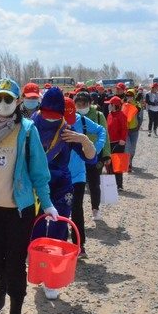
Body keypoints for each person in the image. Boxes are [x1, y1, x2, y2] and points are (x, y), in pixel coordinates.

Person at [0, 78, 57, 314]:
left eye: (9, 99)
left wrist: (48, 204)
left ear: (18, 101)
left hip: (20, 211)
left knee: (16, 263)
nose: (3, 103)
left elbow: (40, 172)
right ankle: (0, 286)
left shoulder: (28, 131)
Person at [31, 87, 96, 300]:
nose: (48, 118)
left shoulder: (66, 131)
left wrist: (84, 140)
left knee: (59, 230)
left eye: (54, 114)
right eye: (45, 113)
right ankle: (38, 269)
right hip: (35, 187)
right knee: (37, 229)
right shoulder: (30, 126)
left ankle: (52, 279)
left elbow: (91, 159)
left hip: (61, 186)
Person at [67, 94, 106, 258]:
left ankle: (79, 245)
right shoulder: (49, 121)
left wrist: (94, 149)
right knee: (59, 211)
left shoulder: (80, 120)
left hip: (78, 174)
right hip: (56, 174)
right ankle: (59, 245)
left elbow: (101, 130)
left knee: (76, 209)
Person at [74, 91, 110, 222]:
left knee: (94, 184)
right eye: (78, 104)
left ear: (90, 103)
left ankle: (96, 209)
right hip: (77, 157)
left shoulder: (99, 116)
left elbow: (105, 135)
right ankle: (76, 212)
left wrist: (105, 154)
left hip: (95, 156)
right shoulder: (73, 117)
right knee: (78, 186)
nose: (81, 106)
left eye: (84, 104)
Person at [105, 95, 128, 190]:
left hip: (118, 142)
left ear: (116, 105)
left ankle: (119, 185)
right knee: (109, 163)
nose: (109, 106)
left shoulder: (122, 115)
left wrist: (123, 139)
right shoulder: (110, 114)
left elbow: (124, 129)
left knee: (118, 164)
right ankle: (111, 184)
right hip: (109, 142)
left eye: (111, 104)